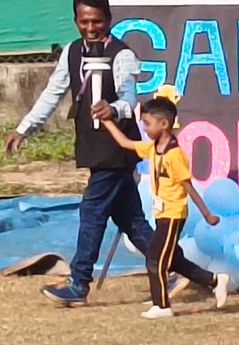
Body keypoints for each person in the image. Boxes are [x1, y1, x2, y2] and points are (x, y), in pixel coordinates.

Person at [5, 0, 156, 307]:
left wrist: (113, 109)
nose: (90, 28)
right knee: (130, 220)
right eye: (84, 21)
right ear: (75, 21)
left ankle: (79, 283)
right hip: (91, 144)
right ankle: (184, 270)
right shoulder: (72, 52)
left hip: (116, 147)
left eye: (97, 21)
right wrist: (23, 129)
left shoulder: (122, 55)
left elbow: (130, 98)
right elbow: (53, 93)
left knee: (92, 212)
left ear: (108, 20)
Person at [99, 95, 231, 319]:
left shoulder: (174, 155)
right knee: (173, 260)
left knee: (156, 260)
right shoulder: (153, 148)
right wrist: (107, 121)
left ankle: (162, 305)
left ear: (164, 123)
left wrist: (207, 214)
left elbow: (188, 186)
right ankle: (214, 280)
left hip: (173, 213)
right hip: (161, 213)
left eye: (148, 124)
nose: (145, 128)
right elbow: (125, 143)